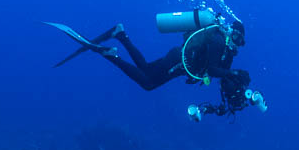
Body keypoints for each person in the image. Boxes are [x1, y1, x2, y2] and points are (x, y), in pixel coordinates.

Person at [49, 17, 266, 119]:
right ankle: (111, 54)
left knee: (144, 69)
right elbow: (212, 68)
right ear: (231, 32)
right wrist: (232, 73)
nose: (237, 43)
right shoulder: (218, 40)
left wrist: (235, 80)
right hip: (177, 62)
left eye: (240, 41)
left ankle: (120, 34)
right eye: (236, 37)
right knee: (148, 83)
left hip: (179, 61)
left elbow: (218, 73)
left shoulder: (225, 50)